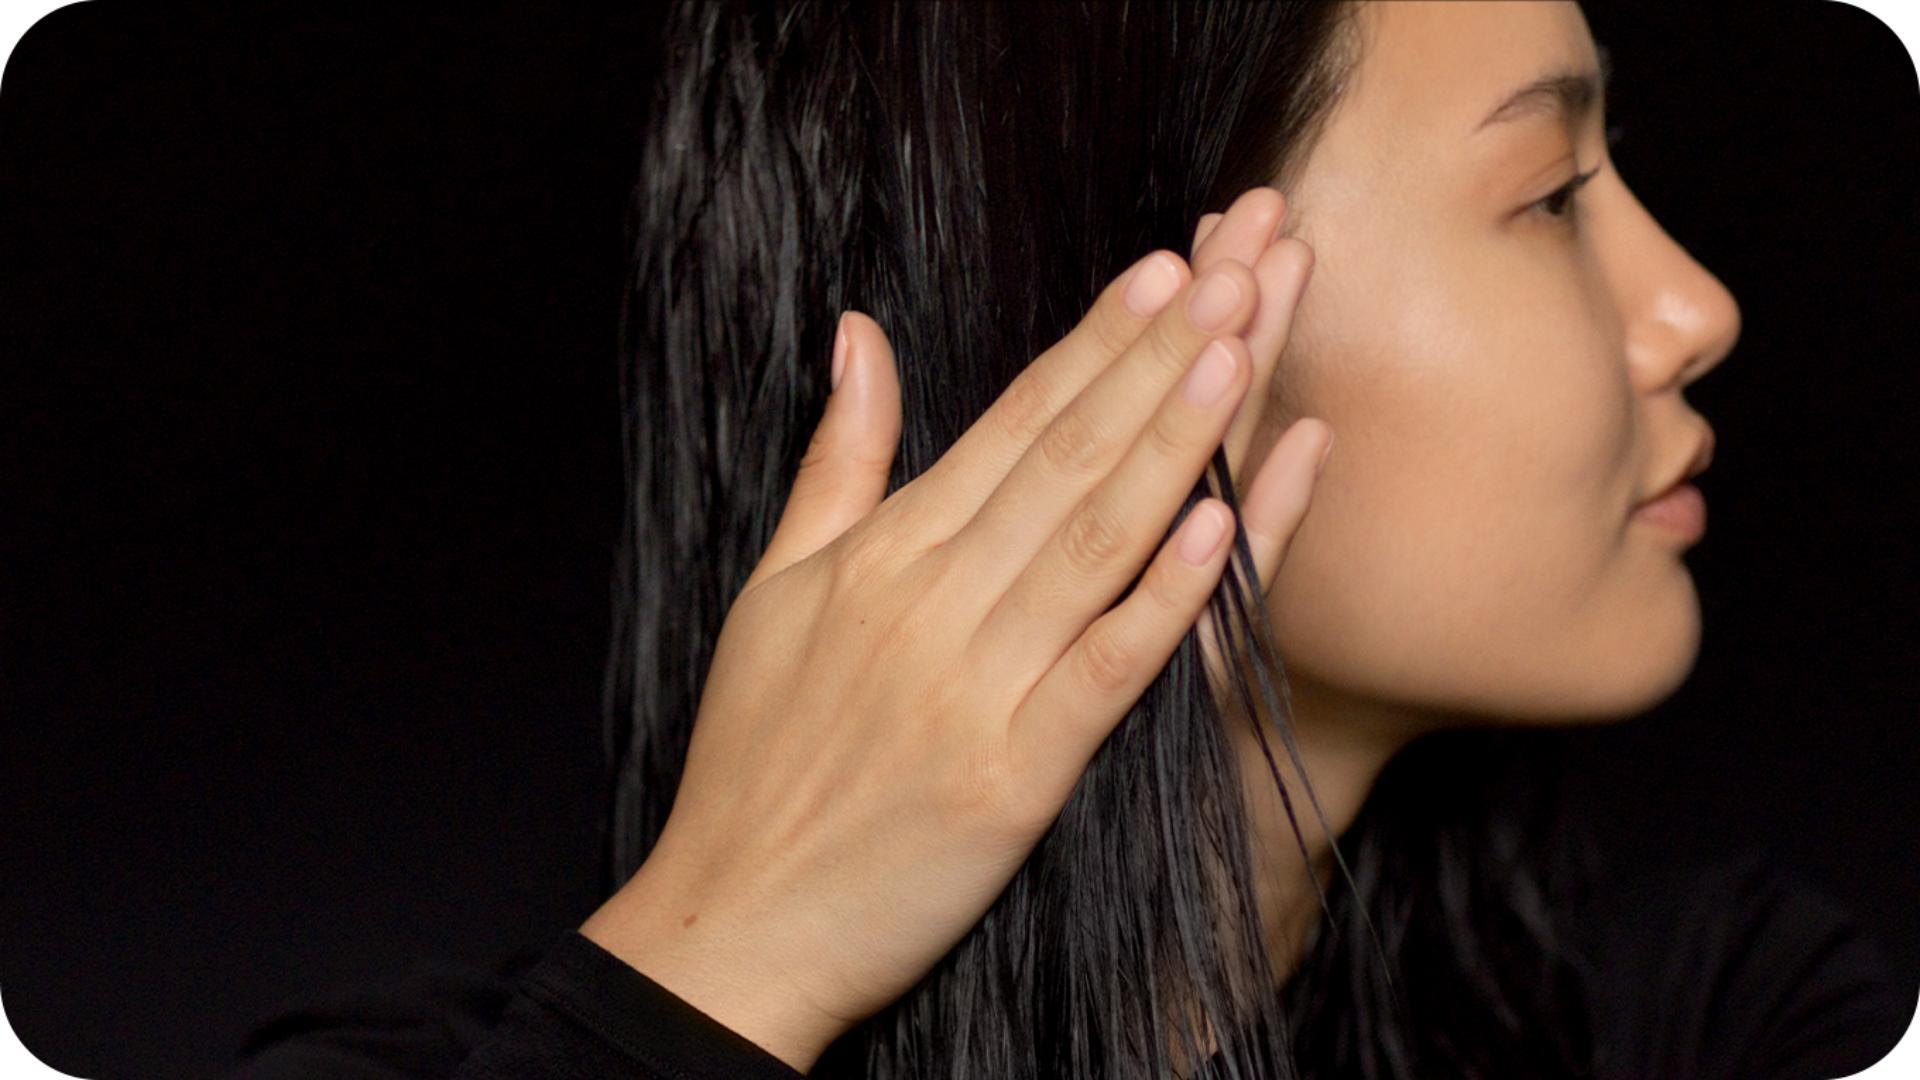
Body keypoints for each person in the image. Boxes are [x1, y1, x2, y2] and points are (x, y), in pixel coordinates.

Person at [226, 2, 1912, 1078]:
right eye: (1548, 192)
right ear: (1125, 315)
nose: (1693, 305)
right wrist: (732, 960)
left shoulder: (1724, 1019)